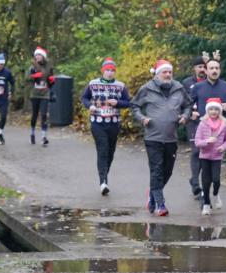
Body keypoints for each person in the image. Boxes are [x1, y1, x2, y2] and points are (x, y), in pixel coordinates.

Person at [130, 58, 191, 216]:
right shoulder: (147, 88)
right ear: (157, 74)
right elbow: (135, 106)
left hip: (171, 137)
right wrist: (142, 118)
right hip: (153, 137)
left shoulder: (179, 88)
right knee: (156, 170)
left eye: (170, 72)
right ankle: (160, 204)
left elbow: (188, 105)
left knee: (167, 171)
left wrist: (185, 116)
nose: (168, 75)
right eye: (165, 72)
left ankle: (152, 194)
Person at [81, 57, 132, 195]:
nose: (110, 73)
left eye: (112, 70)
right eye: (107, 70)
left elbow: (129, 102)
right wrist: (90, 106)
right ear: (102, 71)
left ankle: (104, 176)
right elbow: (84, 98)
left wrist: (118, 103)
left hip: (113, 123)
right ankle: (103, 182)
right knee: (102, 149)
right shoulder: (93, 84)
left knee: (110, 152)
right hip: (97, 122)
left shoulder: (120, 86)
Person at [194, 97, 226, 215]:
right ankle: (206, 204)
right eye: (211, 109)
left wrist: (224, 147)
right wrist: (207, 141)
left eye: (216, 109)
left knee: (216, 180)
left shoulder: (225, 124)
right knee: (205, 181)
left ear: (220, 111)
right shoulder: (202, 123)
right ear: (207, 111)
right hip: (204, 156)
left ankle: (215, 194)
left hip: (217, 156)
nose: (213, 111)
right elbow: (197, 142)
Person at [181, 54, 208, 200]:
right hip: (193, 121)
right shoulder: (186, 83)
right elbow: (182, 101)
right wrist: (190, 113)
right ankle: (196, 184)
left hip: (209, 122)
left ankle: (196, 180)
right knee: (196, 151)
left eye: (204, 67)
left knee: (205, 151)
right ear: (194, 68)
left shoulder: (211, 81)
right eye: (199, 66)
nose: (202, 69)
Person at [28, 46, 55, 146]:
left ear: (43, 56)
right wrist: (33, 76)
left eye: (39, 55)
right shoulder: (32, 67)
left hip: (45, 94)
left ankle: (44, 137)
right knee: (34, 115)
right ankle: (32, 133)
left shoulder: (49, 66)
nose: (37, 57)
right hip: (35, 94)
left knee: (44, 115)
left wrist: (52, 80)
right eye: (36, 55)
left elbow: (51, 80)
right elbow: (26, 80)